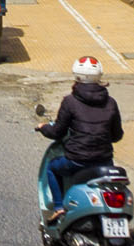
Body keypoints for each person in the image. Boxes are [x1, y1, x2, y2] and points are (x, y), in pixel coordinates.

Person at [36, 56, 125, 213]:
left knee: (52, 168)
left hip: (77, 161)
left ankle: (58, 207)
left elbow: (57, 132)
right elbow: (117, 136)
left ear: (76, 76)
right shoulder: (110, 102)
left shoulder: (70, 101)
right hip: (104, 162)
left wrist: (43, 127)